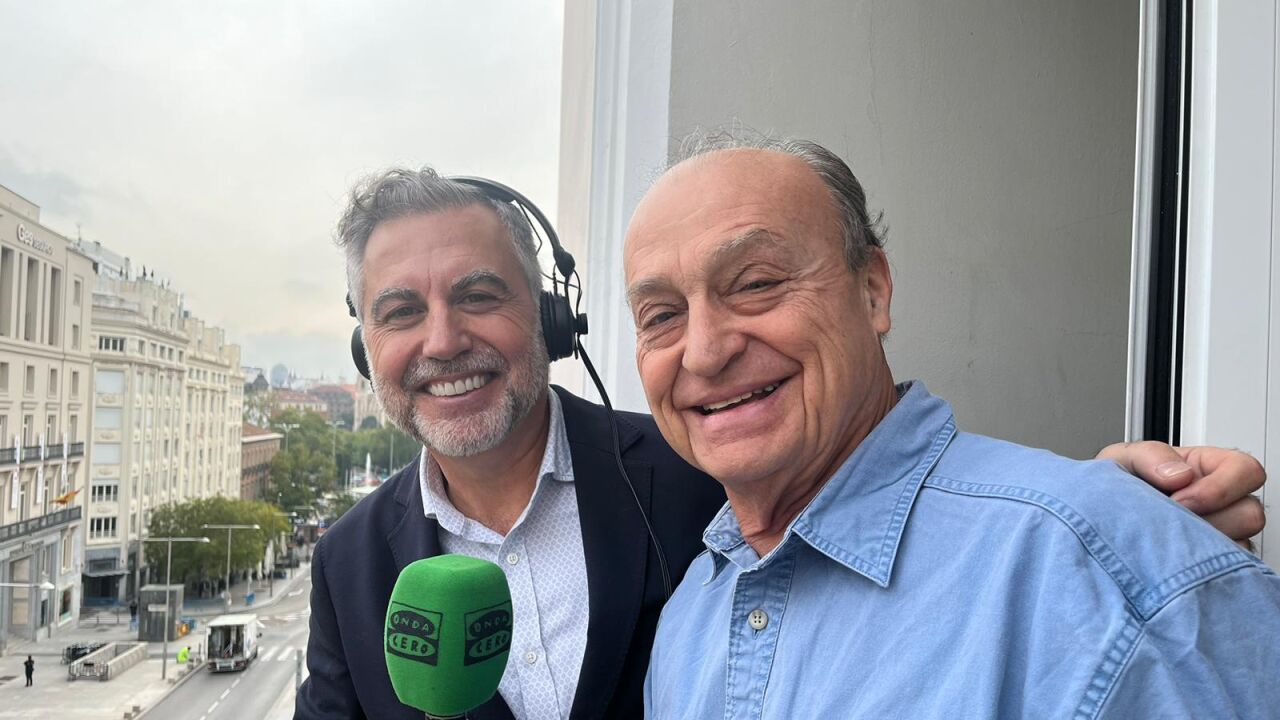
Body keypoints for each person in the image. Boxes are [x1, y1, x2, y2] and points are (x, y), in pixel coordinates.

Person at [297, 168, 1266, 720]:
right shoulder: (347, 562)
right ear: (364, 346)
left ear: (551, 321)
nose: (441, 341)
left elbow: (913, 530)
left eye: (478, 295)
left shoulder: (708, 469)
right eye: (399, 312)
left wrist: (1103, 524)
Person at [629, 133, 1280, 718]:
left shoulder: (1094, 561)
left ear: (873, 290)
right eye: (661, 316)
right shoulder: (691, 614)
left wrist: (1109, 527)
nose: (704, 352)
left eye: (756, 283)